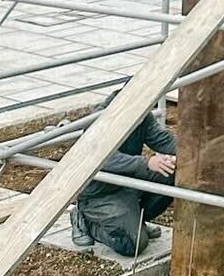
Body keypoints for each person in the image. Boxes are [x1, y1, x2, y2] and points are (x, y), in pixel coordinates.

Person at [70, 109, 177, 257]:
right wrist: (146, 163)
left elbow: (163, 140)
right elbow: (102, 158)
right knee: (133, 244)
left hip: (127, 182)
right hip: (100, 194)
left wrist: (197, 149)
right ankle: (87, 221)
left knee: (171, 173)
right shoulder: (103, 117)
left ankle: (135, 221)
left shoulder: (141, 111)